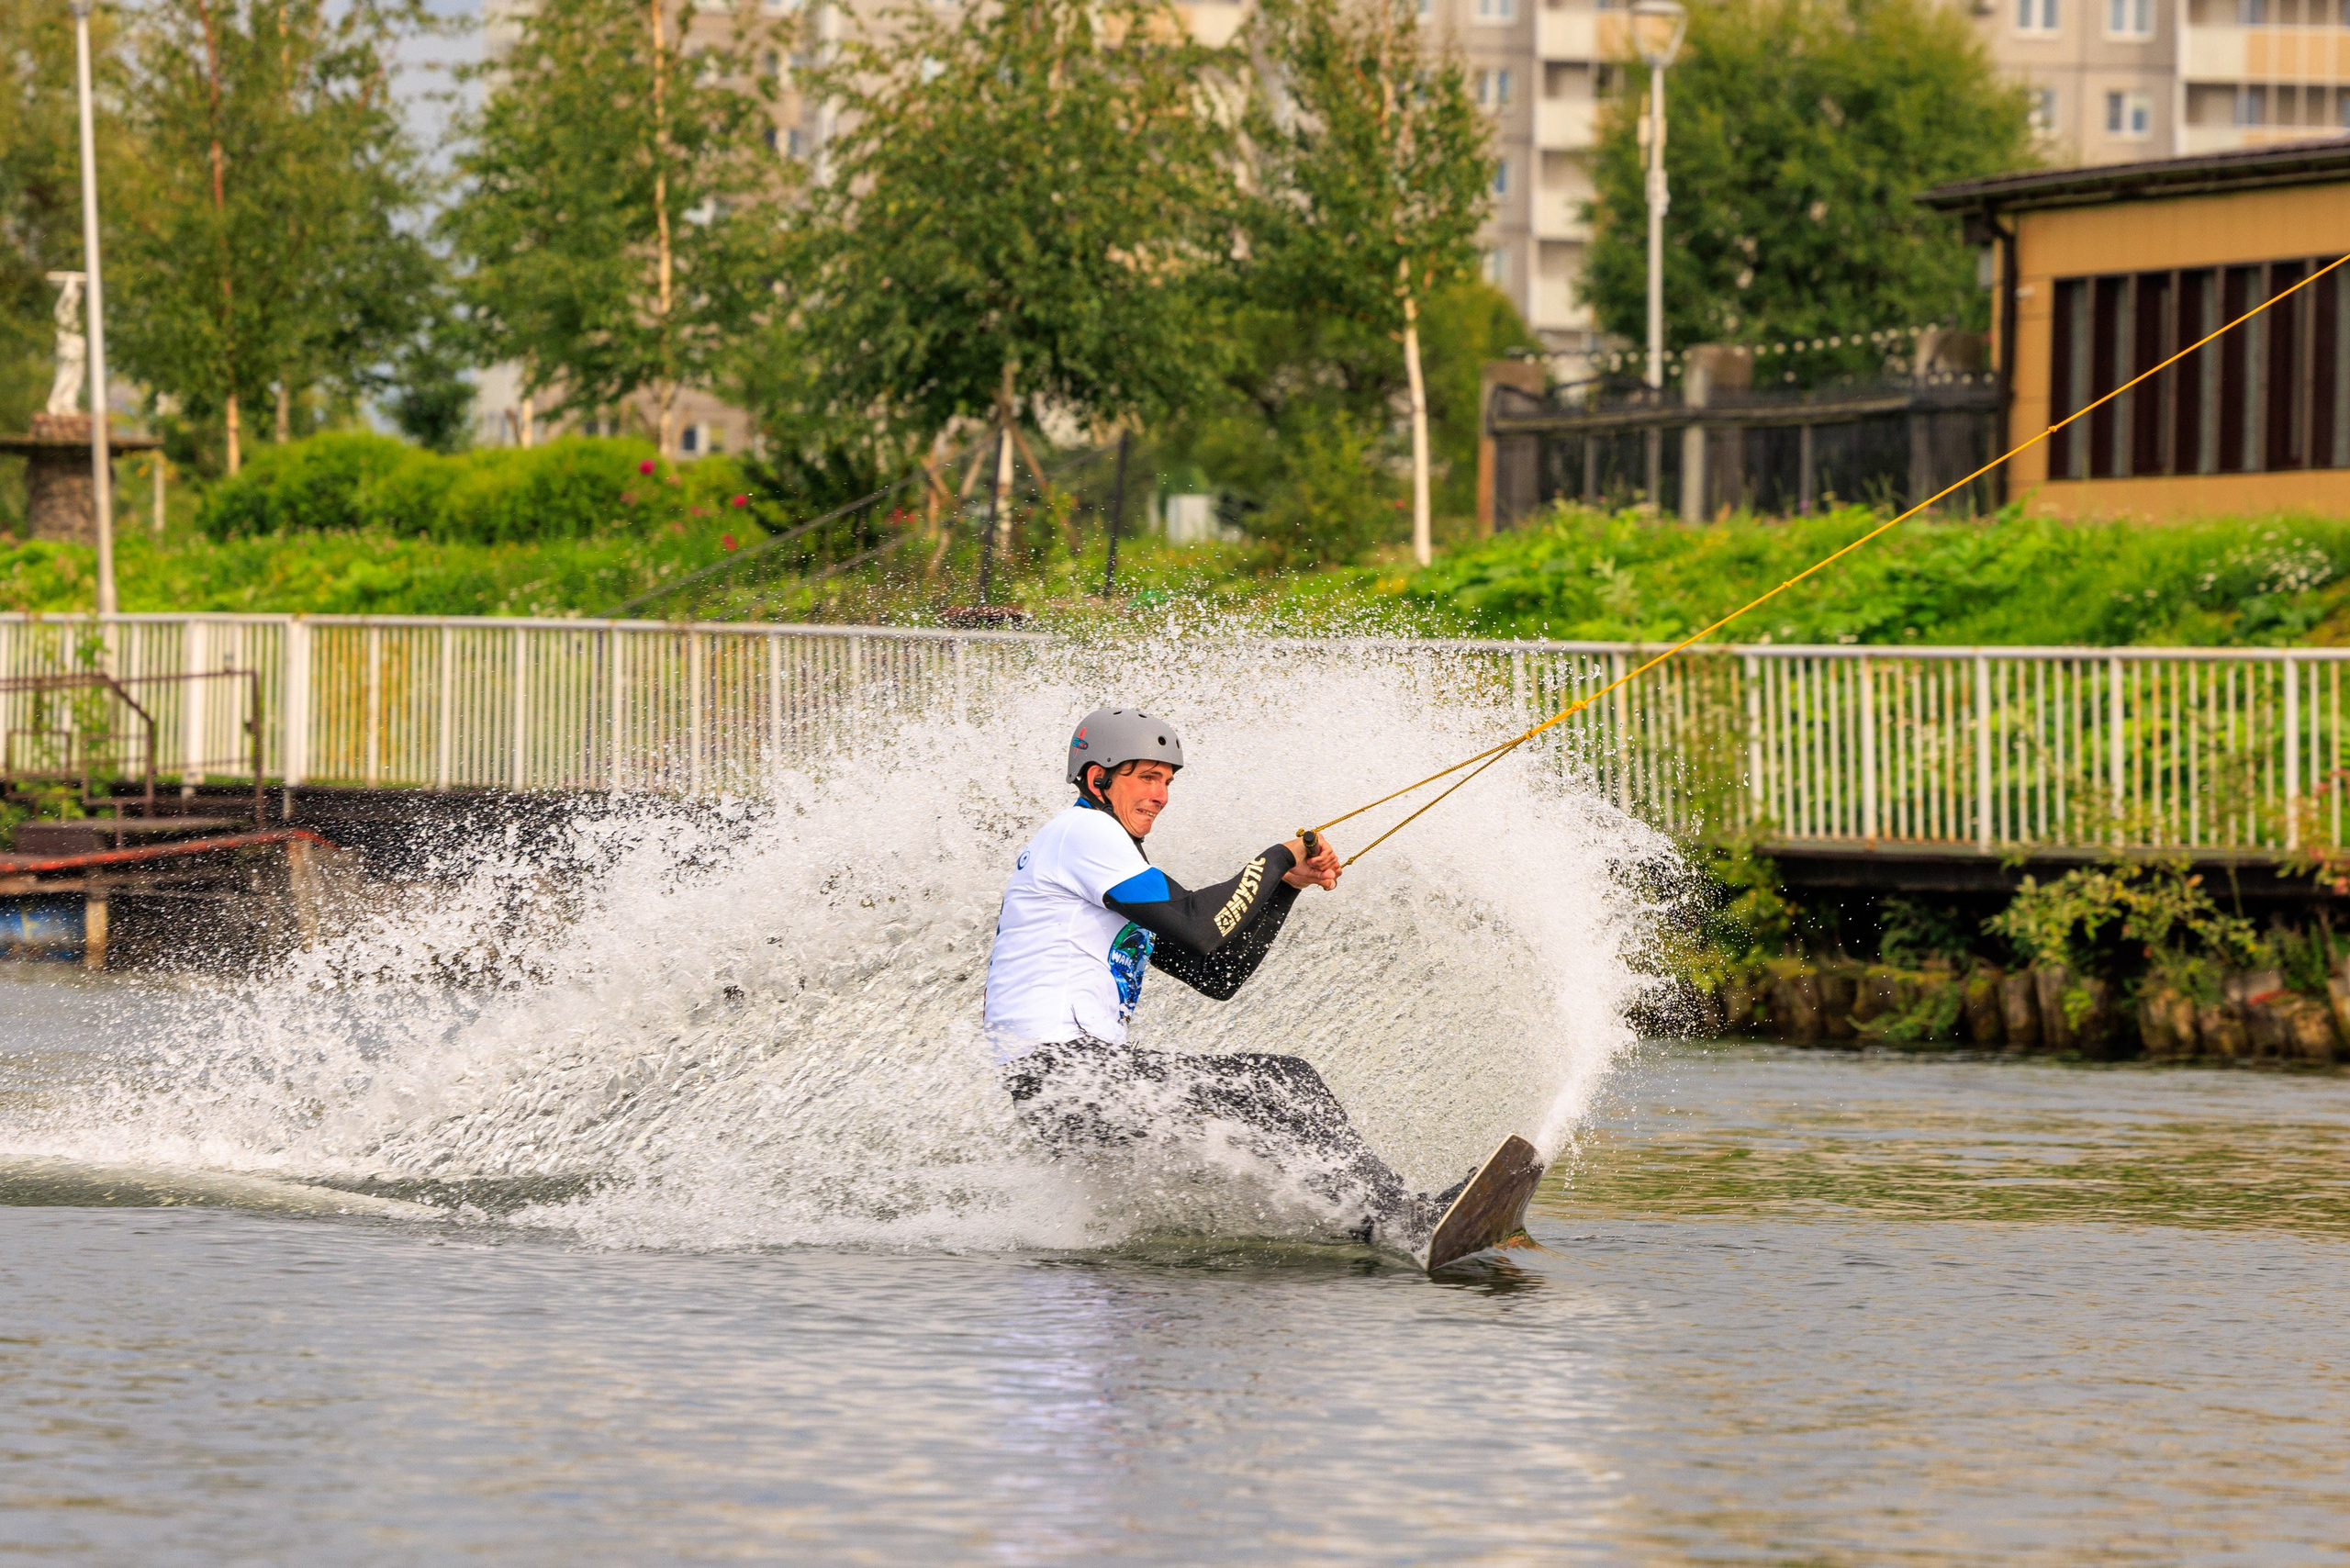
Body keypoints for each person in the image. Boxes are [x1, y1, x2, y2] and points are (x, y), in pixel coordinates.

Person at [983, 706, 1449, 1245]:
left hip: (1068, 1087)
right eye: (1146, 778)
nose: (1161, 795)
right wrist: (1277, 856)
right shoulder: (1082, 833)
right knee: (1282, 1082)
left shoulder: (1107, 866)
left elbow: (1216, 971)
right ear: (1098, 779)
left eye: (1167, 781)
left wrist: (1287, 888)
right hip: (1063, 1075)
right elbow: (1202, 926)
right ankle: (1399, 1220)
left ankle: (1373, 1223)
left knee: (1266, 1110)